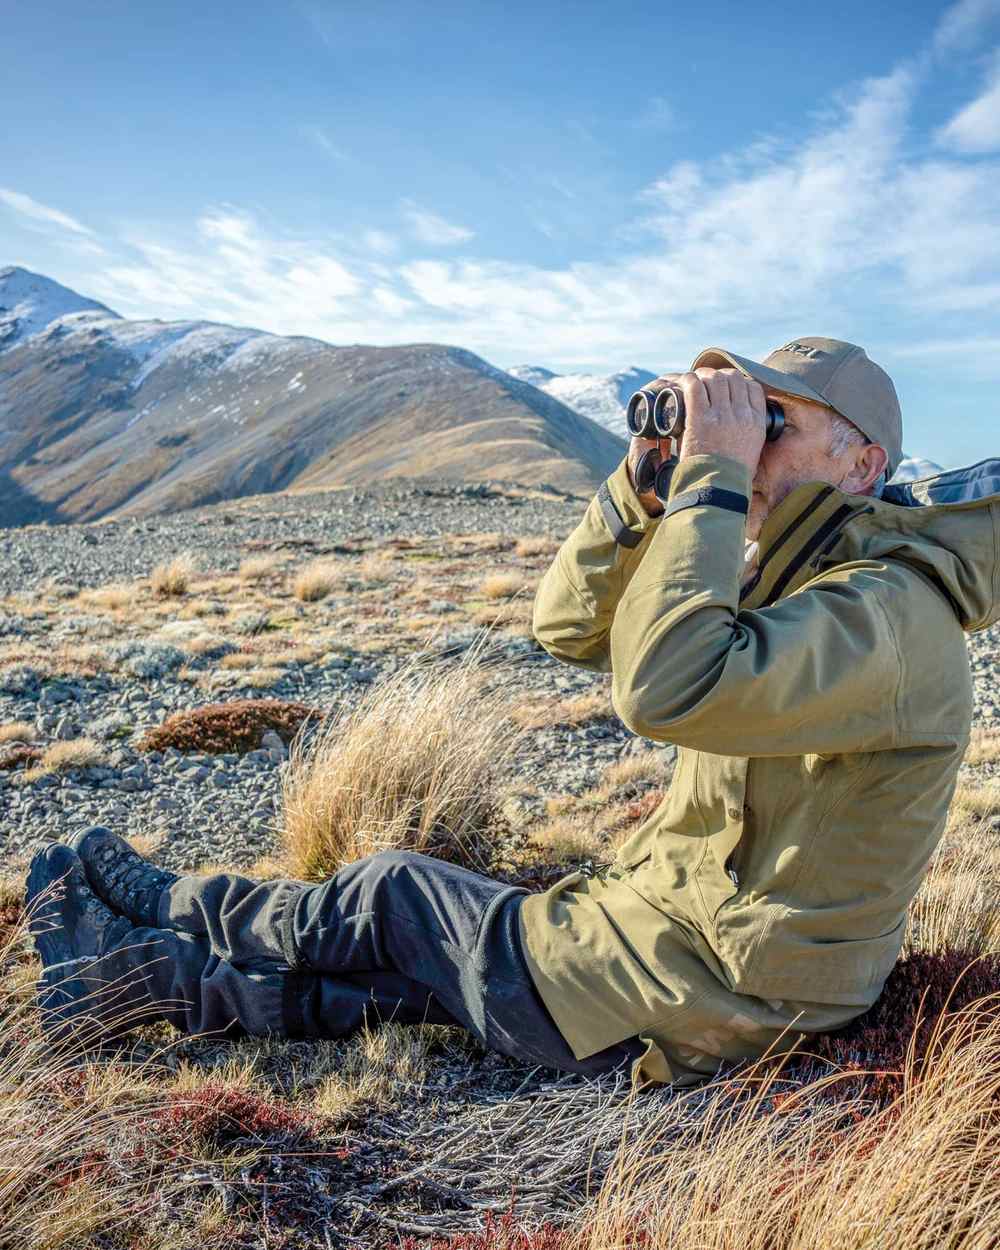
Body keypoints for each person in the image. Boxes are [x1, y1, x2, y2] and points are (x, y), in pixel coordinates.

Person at [26, 336, 997, 1089]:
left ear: (862, 465)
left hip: (726, 994)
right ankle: (125, 974)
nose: (750, 439)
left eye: (774, 422)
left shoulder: (888, 614)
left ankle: (161, 908)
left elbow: (667, 686)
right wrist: (641, 489)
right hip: (683, 942)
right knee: (394, 977)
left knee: (395, 894)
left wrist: (711, 478)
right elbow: (570, 627)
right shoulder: (804, 576)